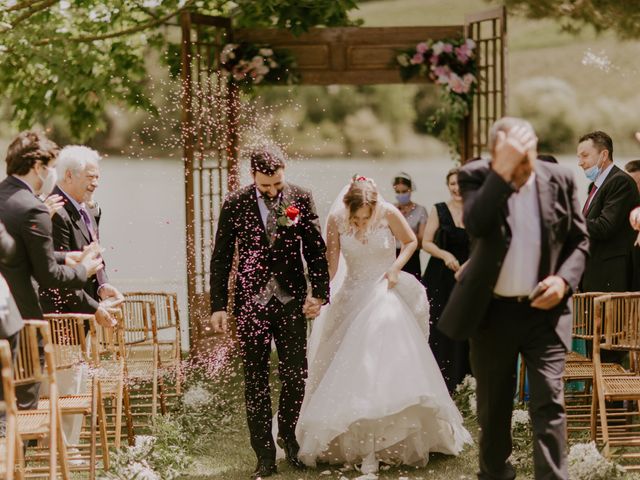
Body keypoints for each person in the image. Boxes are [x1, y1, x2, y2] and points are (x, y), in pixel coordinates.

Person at [439, 117, 589, 480]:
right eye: (514, 161)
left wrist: (562, 281)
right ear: (495, 155)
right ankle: (495, 474)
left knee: (548, 405)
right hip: (492, 314)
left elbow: (579, 242)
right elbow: (477, 224)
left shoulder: (561, 179)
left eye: (529, 160)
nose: (525, 170)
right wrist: (501, 174)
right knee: (494, 411)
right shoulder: (474, 175)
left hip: (545, 315)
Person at [296, 176, 472, 474]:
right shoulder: (337, 219)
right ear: (347, 209)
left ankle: (393, 435)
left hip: (384, 287)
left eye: (367, 217)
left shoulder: (389, 211)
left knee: (384, 342)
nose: (362, 222)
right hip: (352, 291)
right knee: (344, 360)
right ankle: (350, 436)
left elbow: (411, 241)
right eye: (357, 218)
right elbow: (332, 264)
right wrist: (320, 295)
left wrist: (394, 268)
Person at [209, 145, 330, 479]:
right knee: (256, 380)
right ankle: (264, 455)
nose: (273, 193)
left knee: (296, 375)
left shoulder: (301, 198)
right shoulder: (235, 203)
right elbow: (220, 257)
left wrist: (319, 294)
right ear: (253, 176)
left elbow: (316, 250)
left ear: (284, 171)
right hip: (251, 305)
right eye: (266, 187)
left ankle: (288, 437)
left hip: (291, 301)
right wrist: (218, 305)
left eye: (277, 185)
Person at [0, 131, 103, 410]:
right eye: (49, 168)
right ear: (37, 167)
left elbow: (13, 253)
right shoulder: (34, 209)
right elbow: (47, 277)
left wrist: (62, 257)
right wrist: (82, 270)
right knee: (20, 407)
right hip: (20, 324)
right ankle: (17, 454)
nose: (52, 175)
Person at [39, 145, 119, 456]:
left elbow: (94, 257)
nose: (95, 182)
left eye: (98, 177)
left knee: (74, 381)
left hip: (80, 314)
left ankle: (64, 450)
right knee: (65, 385)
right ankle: (60, 454)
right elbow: (59, 276)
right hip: (60, 317)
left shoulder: (89, 208)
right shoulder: (55, 213)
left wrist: (103, 288)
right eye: (90, 176)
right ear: (69, 175)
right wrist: (94, 308)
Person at [421, 168, 471, 392]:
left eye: (460, 184)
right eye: (452, 184)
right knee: (440, 324)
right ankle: (440, 380)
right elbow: (426, 242)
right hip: (440, 275)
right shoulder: (438, 209)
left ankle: (466, 381)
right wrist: (445, 255)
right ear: (447, 185)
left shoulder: (476, 210)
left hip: (468, 275)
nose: (456, 188)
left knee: (466, 324)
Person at [577, 131, 639, 292]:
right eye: (579, 157)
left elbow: (605, 226)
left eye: (585, 156)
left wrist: (571, 220)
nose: (580, 162)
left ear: (604, 155)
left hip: (611, 277)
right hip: (596, 274)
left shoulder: (619, 181)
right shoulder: (598, 185)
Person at [392, 172, 428, 278]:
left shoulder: (420, 210)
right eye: (397, 192)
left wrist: (402, 226)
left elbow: (422, 241)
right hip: (393, 256)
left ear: (410, 190)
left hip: (412, 255)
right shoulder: (391, 210)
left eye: (404, 191)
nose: (401, 194)